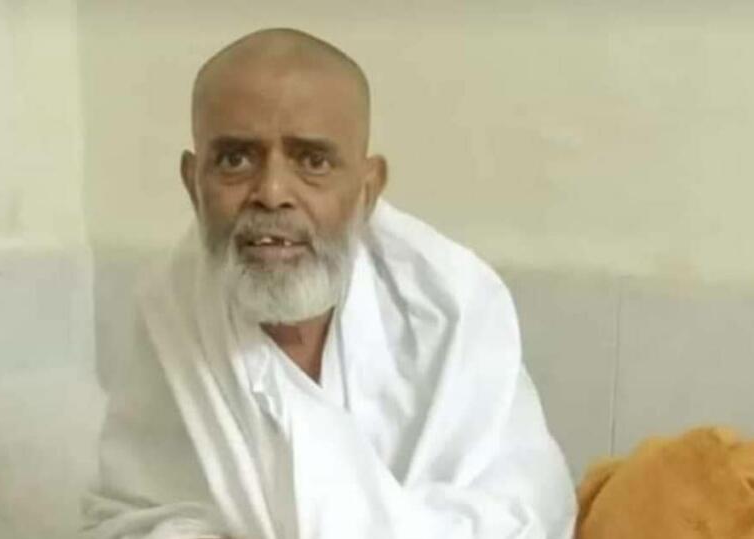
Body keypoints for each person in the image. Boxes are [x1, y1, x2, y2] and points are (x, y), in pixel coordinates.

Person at [82, 27, 577, 539]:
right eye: (235, 160)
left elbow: (525, 515)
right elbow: (129, 521)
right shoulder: (173, 312)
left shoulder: (452, 307)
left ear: (367, 188)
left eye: (312, 162)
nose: (272, 192)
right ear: (193, 183)